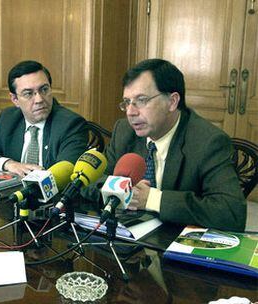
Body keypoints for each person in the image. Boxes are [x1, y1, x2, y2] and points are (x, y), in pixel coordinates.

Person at [82, 59, 246, 232]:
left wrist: (152, 199)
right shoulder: (124, 131)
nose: (131, 112)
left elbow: (231, 212)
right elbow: (92, 183)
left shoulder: (208, 142)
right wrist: (121, 191)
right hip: (131, 245)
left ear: (172, 101)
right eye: (127, 102)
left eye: (141, 100)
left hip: (175, 243)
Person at [0, 60, 88, 176]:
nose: (39, 99)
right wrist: (9, 164)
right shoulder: (9, 119)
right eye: (28, 94)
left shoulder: (70, 124)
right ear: (15, 99)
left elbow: (65, 173)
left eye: (44, 89)